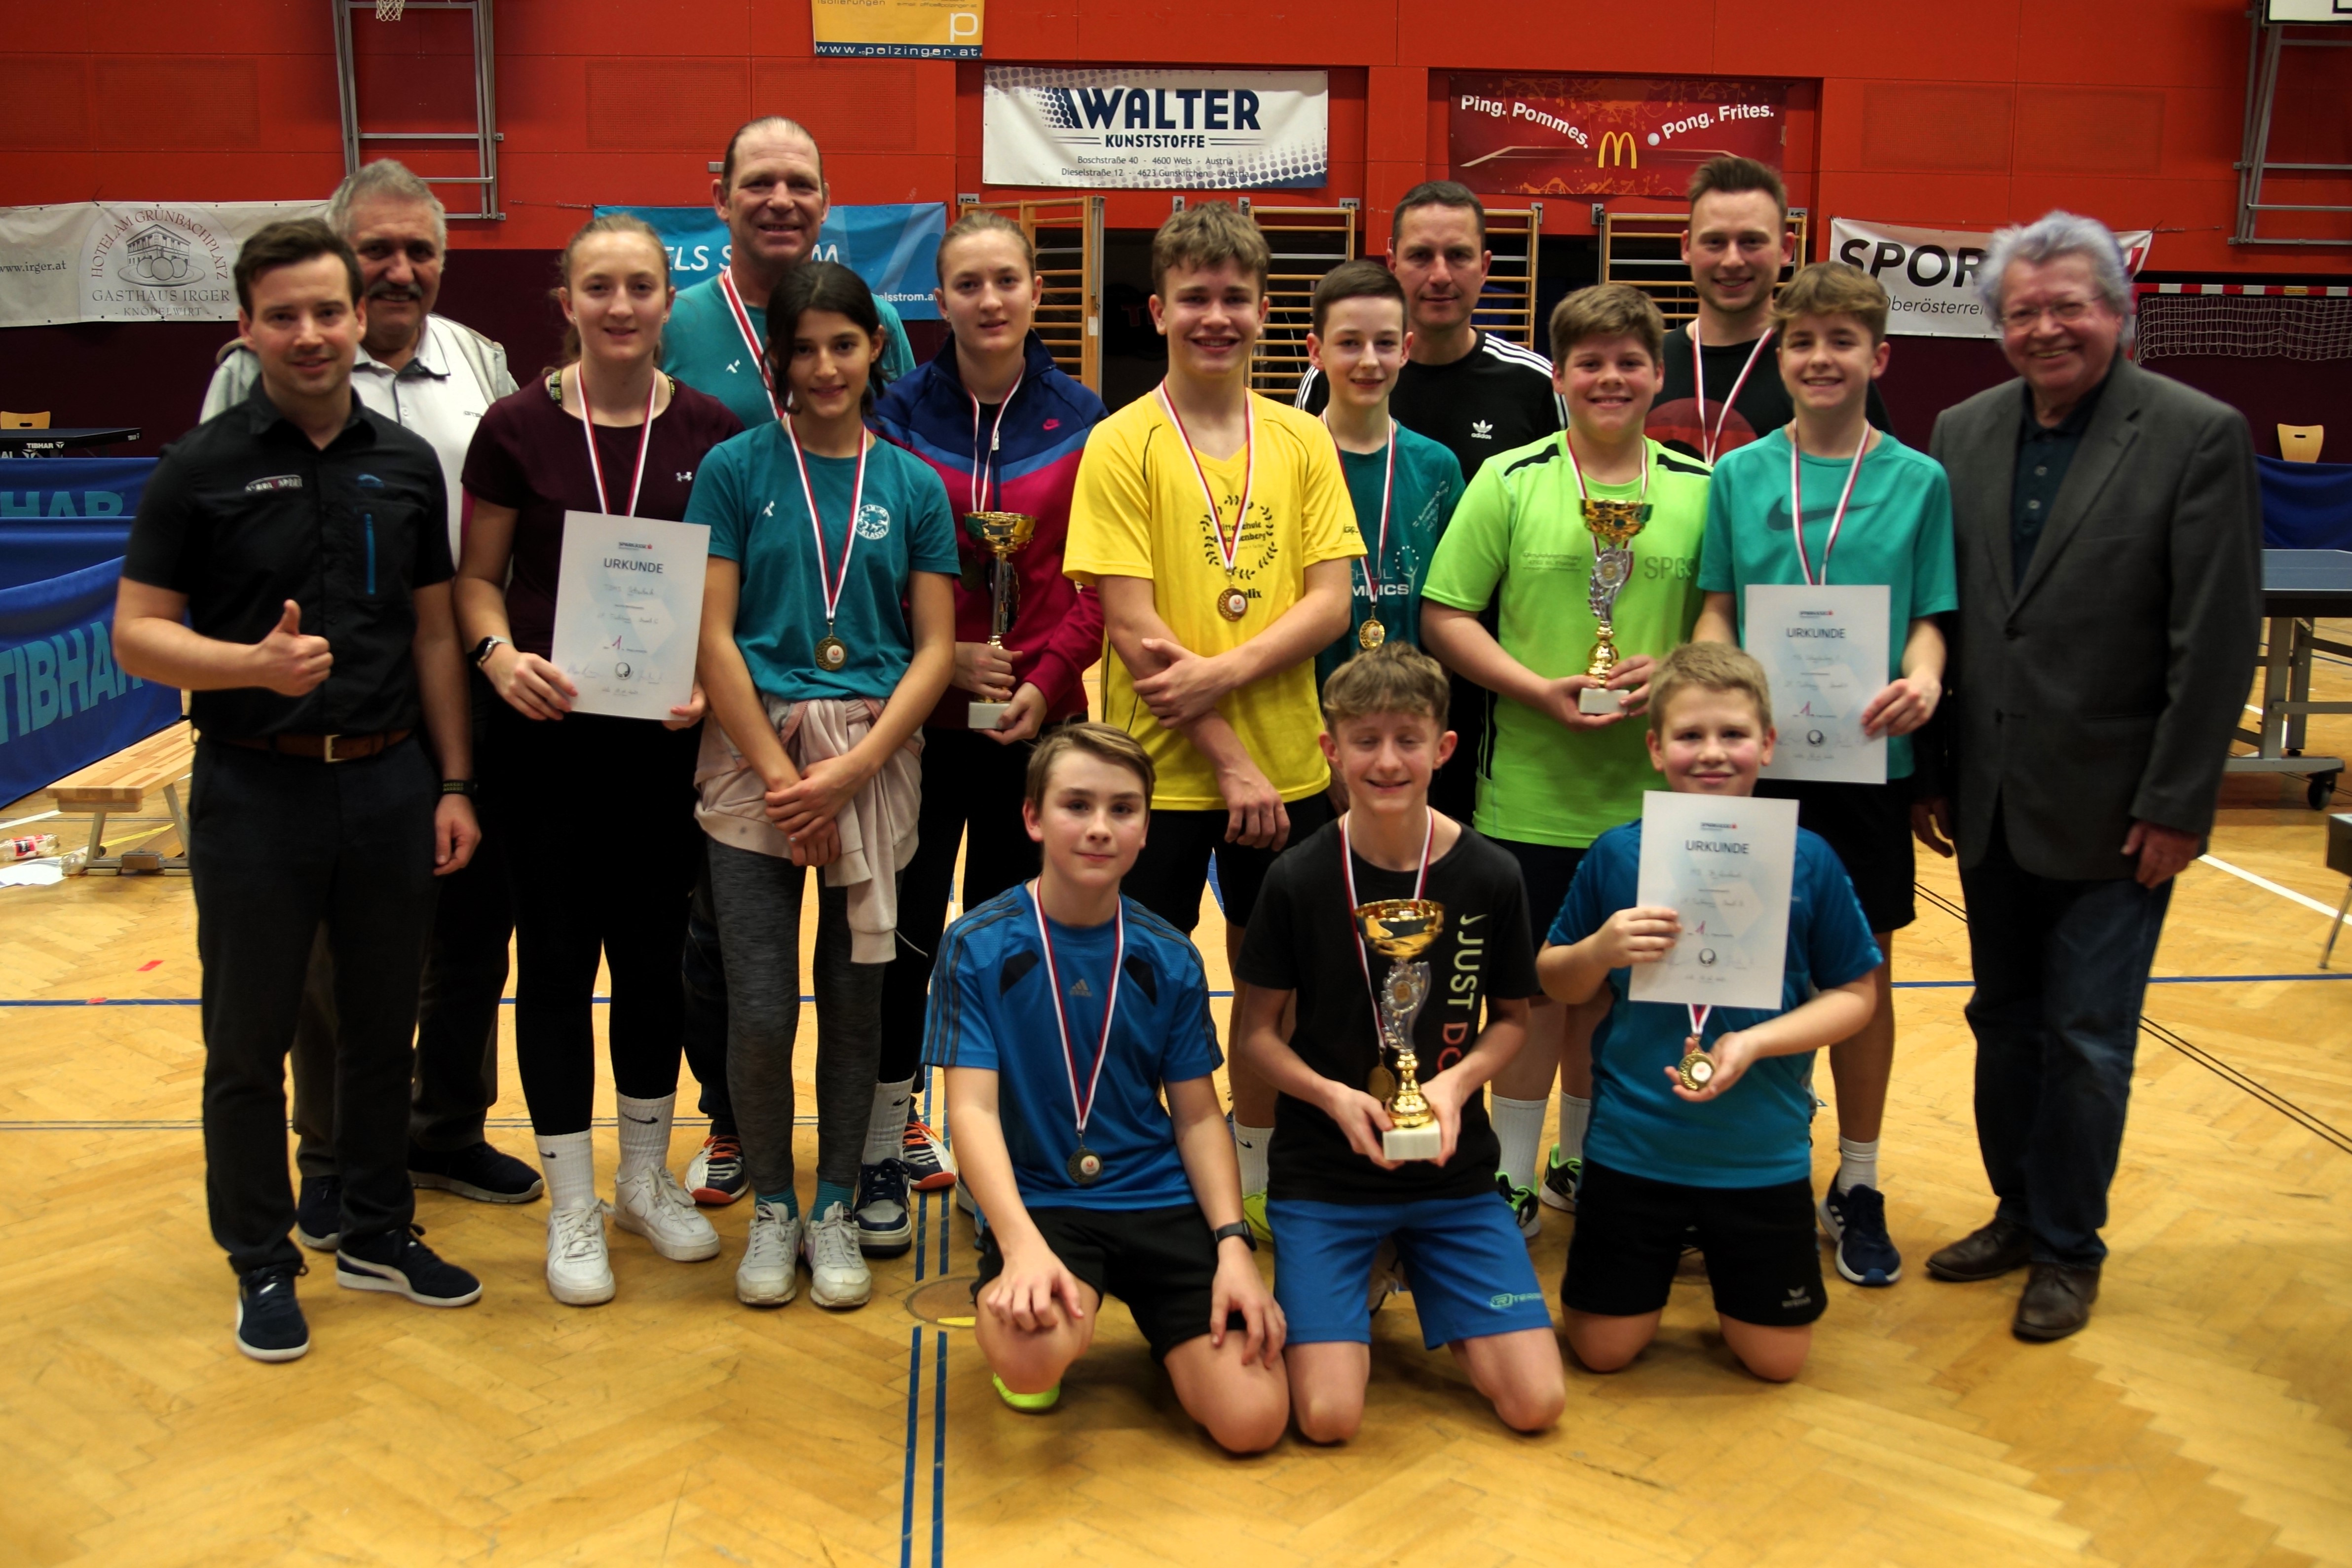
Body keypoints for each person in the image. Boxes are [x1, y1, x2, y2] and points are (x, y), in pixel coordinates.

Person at [118, 218, 486, 1361]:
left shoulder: (405, 462)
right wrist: (248, 666)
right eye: (284, 316)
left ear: (358, 318)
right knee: (249, 1042)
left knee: (381, 1028)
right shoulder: (200, 467)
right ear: (248, 327)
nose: (311, 333)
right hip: (253, 792)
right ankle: (262, 1260)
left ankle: (376, 1229)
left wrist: (454, 780)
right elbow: (137, 632)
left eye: (329, 311)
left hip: (388, 786)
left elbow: (436, 635)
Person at [1914, 212, 2260, 1341]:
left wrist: (2177, 804)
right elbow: (1947, 614)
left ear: (2117, 310)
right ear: (1997, 325)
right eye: (2023, 311)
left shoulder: (2196, 434)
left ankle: (2070, 1248)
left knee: (2088, 1037)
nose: (2046, 328)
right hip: (1989, 800)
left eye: (2069, 306)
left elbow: (2214, 639)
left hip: (2120, 814)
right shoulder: (1962, 430)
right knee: (2003, 1021)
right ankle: (2016, 1213)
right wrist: (1932, 771)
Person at [204, 158, 539, 1242]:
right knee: (326, 955)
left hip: (462, 682)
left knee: (472, 929)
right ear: (342, 264)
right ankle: (335, 1152)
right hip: (318, 702)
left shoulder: (481, 359)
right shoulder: (250, 374)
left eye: (419, 250)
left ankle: (444, 1127)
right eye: (377, 250)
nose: (400, 269)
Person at [453, 215, 744, 1305]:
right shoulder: (514, 427)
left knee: (656, 965)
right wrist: (497, 657)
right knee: (556, 965)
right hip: (545, 746)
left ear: (669, 301)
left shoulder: (712, 429)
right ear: (565, 302)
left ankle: (642, 1181)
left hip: (664, 752)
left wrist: (712, 683)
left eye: (640, 287)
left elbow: (727, 594)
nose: (620, 306)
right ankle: (571, 1199)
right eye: (599, 287)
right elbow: (475, 579)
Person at [1064, 201, 1361, 1240]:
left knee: (1277, 987)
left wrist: (1224, 678)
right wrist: (1229, 758)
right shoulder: (1120, 443)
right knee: (1133, 982)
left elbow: (1329, 602)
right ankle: (1125, 1162)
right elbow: (1133, 628)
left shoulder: (1303, 439)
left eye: (1236, 297)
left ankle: (1257, 1170)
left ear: (1265, 311)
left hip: (1290, 768)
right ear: (1157, 310)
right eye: (1194, 297)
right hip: (1152, 777)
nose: (1215, 316)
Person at [688, 261, 958, 1311]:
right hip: (752, 760)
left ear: (875, 347)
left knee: (856, 1001)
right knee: (759, 1008)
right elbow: (712, 633)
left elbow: (934, 649)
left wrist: (849, 769)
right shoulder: (735, 467)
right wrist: (781, 776)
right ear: (777, 358)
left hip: (871, 762)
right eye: (802, 348)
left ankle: (836, 1199)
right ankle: (772, 1204)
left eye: (843, 344)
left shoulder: (914, 484)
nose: (824, 366)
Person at [1420, 284, 1713, 1235]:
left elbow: (1724, 615)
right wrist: (1532, 688)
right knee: (1536, 988)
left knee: (1622, 994)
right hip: (1529, 790)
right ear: (1559, 377)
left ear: (1658, 374)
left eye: (1629, 361)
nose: (1609, 378)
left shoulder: (1699, 488)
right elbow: (1445, 613)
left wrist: (1675, 670)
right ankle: (1509, 1170)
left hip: (1655, 793)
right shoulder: (1510, 480)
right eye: (1589, 362)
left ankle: (1581, 1160)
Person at [662, 115, 917, 1204]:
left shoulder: (886, 362)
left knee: (861, 978)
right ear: (719, 193)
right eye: (758, 180)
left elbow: (894, 512)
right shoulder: (675, 324)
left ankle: (872, 1140)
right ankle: (735, 1131)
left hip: (862, 719)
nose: (780, 198)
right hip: (724, 702)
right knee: (728, 962)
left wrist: (846, 766)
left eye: (800, 182)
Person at [1690, 261, 1956, 1289]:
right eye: (1801, 341)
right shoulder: (1739, 473)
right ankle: (1746, 1165)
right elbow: (1717, 607)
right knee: (1739, 963)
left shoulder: (1919, 479)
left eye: (1841, 341)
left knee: (1860, 974)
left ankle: (1858, 1177)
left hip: (1865, 760)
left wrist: (1924, 678)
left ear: (1876, 357)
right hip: (1755, 762)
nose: (1819, 358)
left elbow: (1929, 617)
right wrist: (1720, 699)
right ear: (1781, 356)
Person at [927, 722, 1289, 1452]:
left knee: (1253, 1420)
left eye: (1122, 809)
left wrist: (1231, 1246)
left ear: (1145, 829)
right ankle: (1055, 1309)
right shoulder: (977, 944)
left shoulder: (1170, 955)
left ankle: (1170, 1331)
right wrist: (1019, 1244)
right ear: (1033, 817)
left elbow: (1197, 1118)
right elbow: (971, 1110)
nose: (1099, 827)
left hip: (1156, 1197)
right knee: (1030, 1356)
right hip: (1043, 1204)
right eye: (1077, 805)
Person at [1233, 644, 1563, 1439]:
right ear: (1330, 749)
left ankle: (1415, 1257)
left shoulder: (1490, 874)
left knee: (1535, 1403)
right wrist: (1331, 1096)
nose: (1386, 760)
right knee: (1326, 1416)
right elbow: (1254, 1036)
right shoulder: (1297, 877)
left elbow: (1512, 1018)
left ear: (1442, 748)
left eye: (1407, 740)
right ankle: (1376, 1257)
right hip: (1324, 1173)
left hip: (1451, 1173)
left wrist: (1451, 1085)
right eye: (1365, 740)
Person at [863, 210, 1108, 1250]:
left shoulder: (1086, 419)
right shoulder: (892, 413)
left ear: (1036, 291)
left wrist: (1045, 683)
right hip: (922, 721)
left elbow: (1101, 583)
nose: (989, 299)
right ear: (940, 299)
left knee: (1019, 944)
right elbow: (869, 568)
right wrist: (944, 658)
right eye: (967, 283)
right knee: (906, 931)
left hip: (1039, 728)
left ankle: (1008, 1149)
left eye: (1006, 279)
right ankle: (885, 1136)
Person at [1540, 642, 1880, 1382]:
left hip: (1759, 1149)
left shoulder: (1809, 859)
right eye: (1690, 735)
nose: (1713, 752)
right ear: (1655, 748)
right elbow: (1555, 980)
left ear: (1768, 742)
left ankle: (1718, 1254)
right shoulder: (1617, 855)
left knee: (1776, 1361)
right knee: (1602, 1352)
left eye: (1733, 734)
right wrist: (1598, 949)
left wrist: (1754, 1043)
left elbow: (1857, 996)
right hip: (1634, 1144)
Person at [1295, 181, 1561, 824]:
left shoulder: (1531, 383)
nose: (1439, 274)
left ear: (1485, 266)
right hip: (1322, 701)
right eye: (1420, 255)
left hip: (1454, 700)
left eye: (1458, 255)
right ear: (1392, 263)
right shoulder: (1318, 391)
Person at [1645, 157, 1888, 465]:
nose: (1732, 260)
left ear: (1786, 249)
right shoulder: (1645, 367)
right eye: (1715, 242)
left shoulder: (1826, 371)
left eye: (1751, 242)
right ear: (1687, 247)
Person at [1301, 261, 1464, 695]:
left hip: (1412, 711)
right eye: (1349, 343)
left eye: (1385, 343)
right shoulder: (1288, 460)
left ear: (1405, 349)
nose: (1370, 361)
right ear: (1316, 351)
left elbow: (1454, 608)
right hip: (1306, 713)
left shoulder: (1437, 467)